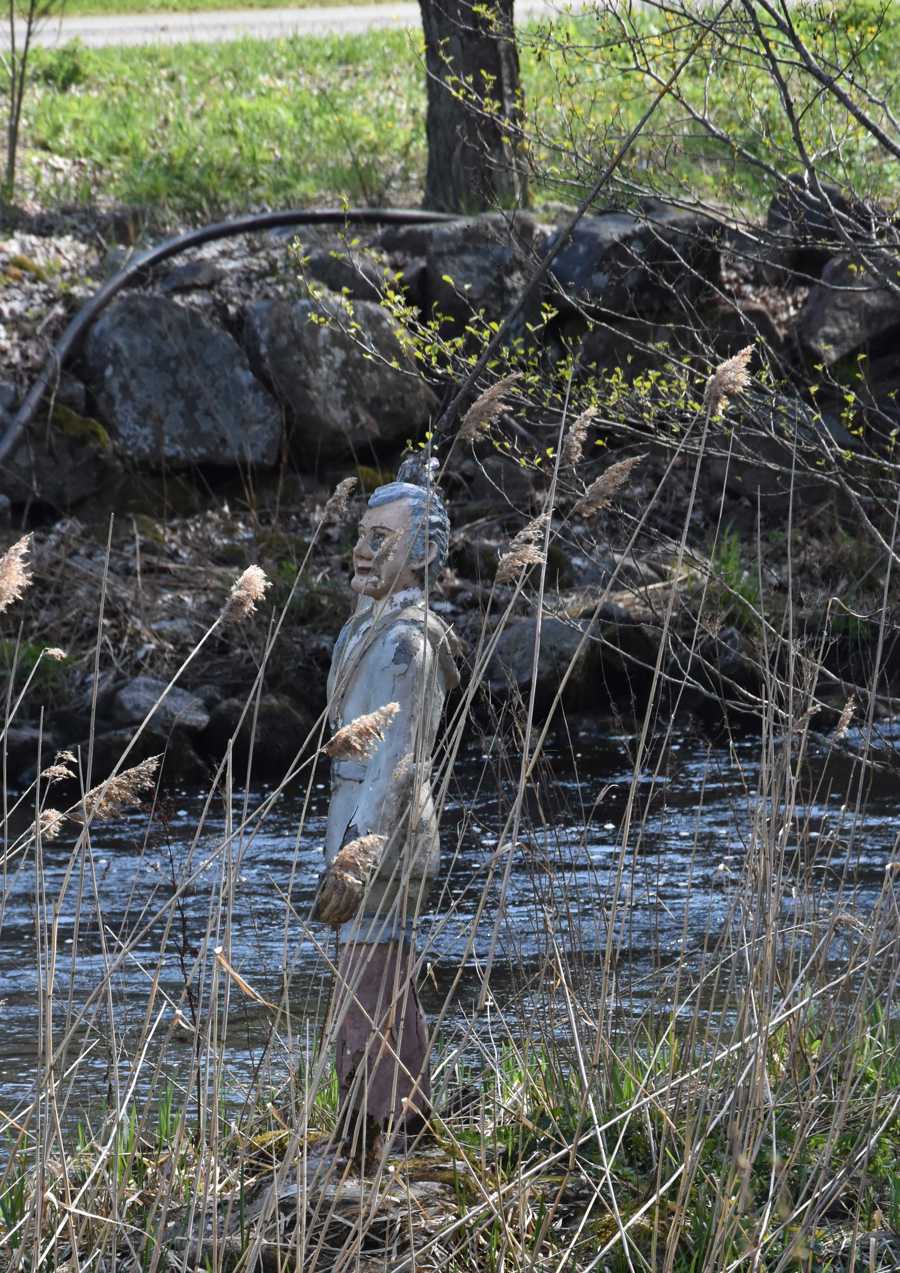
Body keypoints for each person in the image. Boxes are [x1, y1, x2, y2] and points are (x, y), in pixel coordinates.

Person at [314, 457, 457, 1165]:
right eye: (362, 536)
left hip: (387, 828)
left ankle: (364, 1141)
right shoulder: (363, 629)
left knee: (364, 984)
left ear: (422, 552)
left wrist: (360, 849)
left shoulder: (409, 640)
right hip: (357, 818)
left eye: (382, 539)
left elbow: (400, 756)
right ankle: (414, 1123)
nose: (363, 552)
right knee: (383, 976)